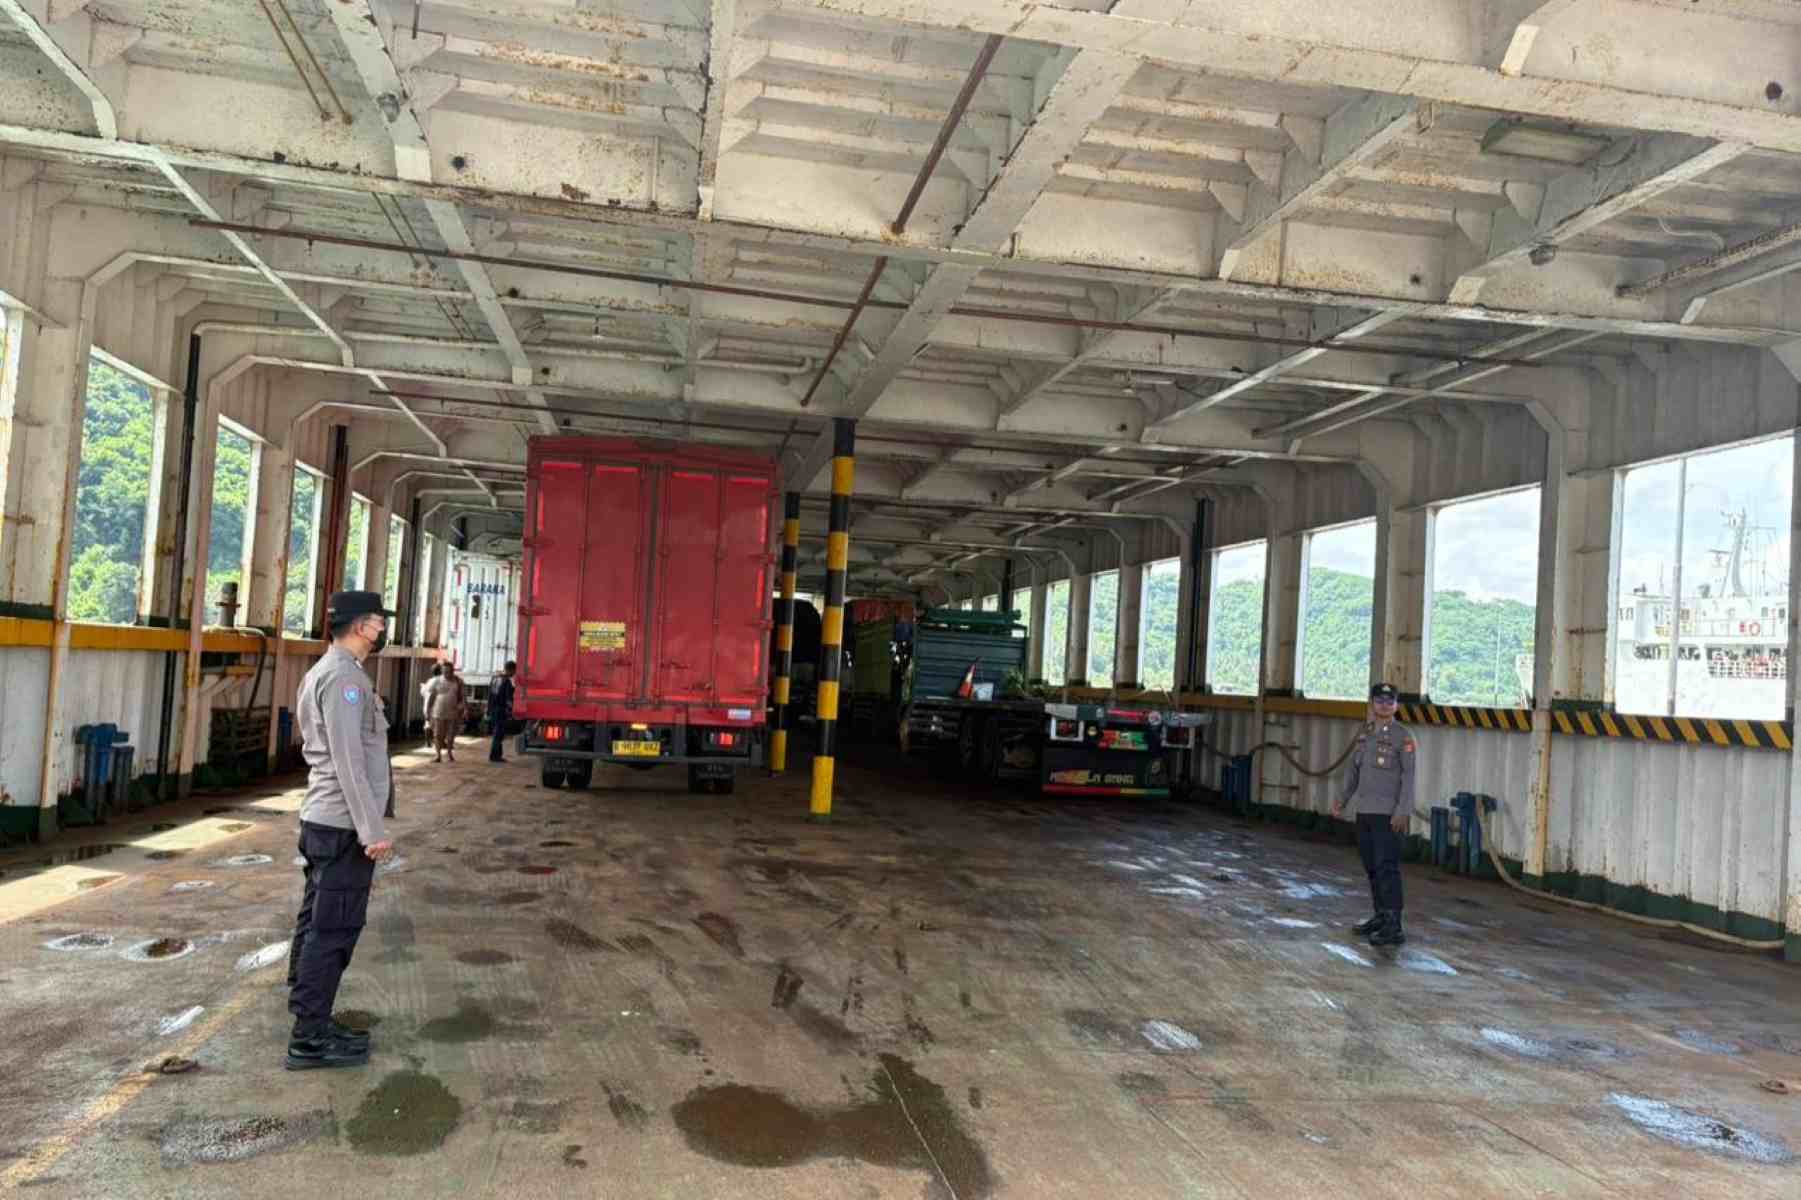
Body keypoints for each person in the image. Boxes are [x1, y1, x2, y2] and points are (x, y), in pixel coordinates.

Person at [286, 590, 396, 1071]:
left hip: (328, 821)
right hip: (342, 825)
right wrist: (371, 830)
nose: (382, 629)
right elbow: (350, 762)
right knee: (333, 929)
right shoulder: (344, 679)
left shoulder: (334, 671)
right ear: (359, 626)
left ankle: (311, 1016)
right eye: (378, 621)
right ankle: (308, 1038)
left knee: (318, 923)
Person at [1331, 682, 1416, 948]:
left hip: (1388, 814)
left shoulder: (1403, 737)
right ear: (1371, 704)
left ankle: (1394, 925)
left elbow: (1409, 777)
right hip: (1365, 811)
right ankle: (1380, 916)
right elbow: (1353, 771)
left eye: (1390, 701)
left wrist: (1403, 811)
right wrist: (1342, 799)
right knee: (1371, 866)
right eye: (1380, 701)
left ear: (1396, 706)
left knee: (1387, 868)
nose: (1385, 705)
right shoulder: (1365, 734)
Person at [424, 663, 465, 763]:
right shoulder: (437, 681)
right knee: (438, 735)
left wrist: (463, 708)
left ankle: (449, 753)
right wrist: (428, 710)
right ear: (442, 671)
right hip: (438, 712)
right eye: (445, 671)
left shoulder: (458, 681)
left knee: (451, 735)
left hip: (453, 713)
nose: (447, 673)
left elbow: (462, 697)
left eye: (449, 671)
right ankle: (438, 755)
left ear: (452, 671)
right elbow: (432, 696)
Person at [489, 661, 517, 764]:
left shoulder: (495, 678)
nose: (514, 674)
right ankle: (494, 756)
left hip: (493, 709)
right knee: (499, 734)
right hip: (501, 710)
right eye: (514, 671)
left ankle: (497, 755)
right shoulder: (507, 681)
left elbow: (490, 694)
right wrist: (512, 711)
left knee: (497, 732)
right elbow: (509, 699)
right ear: (511, 670)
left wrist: (488, 709)